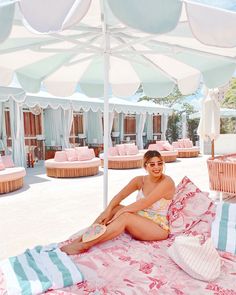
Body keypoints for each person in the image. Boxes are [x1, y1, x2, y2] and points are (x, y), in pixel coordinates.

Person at [61, 150, 175, 255]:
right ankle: (81, 238)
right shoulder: (140, 180)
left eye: (160, 163)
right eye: (152, 164)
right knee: (115, 208)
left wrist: (121, 212)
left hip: (158, 227)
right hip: (141, 218)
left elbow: (144, 203)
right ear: (145, 166)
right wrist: (108, 211)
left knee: (124, 216)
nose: (157, 167)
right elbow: (119, 196)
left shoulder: (167, 182)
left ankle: (84, 245)